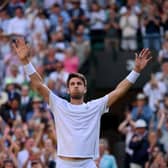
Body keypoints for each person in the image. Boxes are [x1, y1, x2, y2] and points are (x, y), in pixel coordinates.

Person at [13, 38, 151, 168]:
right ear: (67, 89)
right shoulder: (58, 104)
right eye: (72, 84)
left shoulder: (95, 106)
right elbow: (39, 85)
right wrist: (25, 61)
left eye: (79, 83)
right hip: (63, 163)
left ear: (85, 89)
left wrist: (136, 71)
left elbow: (119, 91)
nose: (76, 85)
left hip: (87, 164)